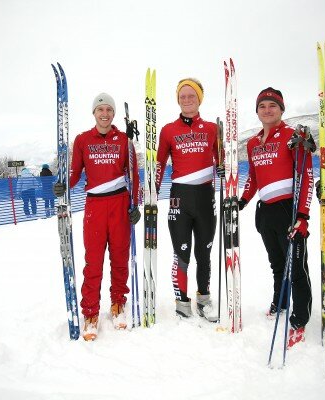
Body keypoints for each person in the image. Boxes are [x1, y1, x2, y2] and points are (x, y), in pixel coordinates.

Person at [53, 93, 140, 341]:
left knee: (120, 257)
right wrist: (63, 186)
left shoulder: (124, 140)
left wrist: (136, 205)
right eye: (100, 110)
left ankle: (118, 303)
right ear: (94, 113)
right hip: (95, 206)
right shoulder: (83, 140)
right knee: (93, 261)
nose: (105, 114)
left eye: (109, 110)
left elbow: (134, 175)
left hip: (120, 203)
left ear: (113, 114)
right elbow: (74, 172)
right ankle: (90, 312)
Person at [238, 88, 314, 348]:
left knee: (296, 267)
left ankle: (300, 318)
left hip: (288, 210)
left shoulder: (293, 136)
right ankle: (280, 302)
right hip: (266, 212)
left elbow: (306, 176)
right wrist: (243, 201)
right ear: (257, 111)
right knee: (277, 264)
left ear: (281, 110)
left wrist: (303, 215)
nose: (267, 110)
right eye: (263, 106)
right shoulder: (253, 143)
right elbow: (255, 178)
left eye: (273, 105)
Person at [156, 78, 223, 322]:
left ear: (199, 99)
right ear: (178, 100)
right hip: (179, 199)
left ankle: (204, 299)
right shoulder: (168, 130)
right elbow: (160, 163)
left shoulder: (211, 129)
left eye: (191, 96)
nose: (187, 100)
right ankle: (182, 301)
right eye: (182, 96)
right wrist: (152, 191)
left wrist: (226, 172)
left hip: (205, 197)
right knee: (181, 253)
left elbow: (221, 160)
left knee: (204, 253)